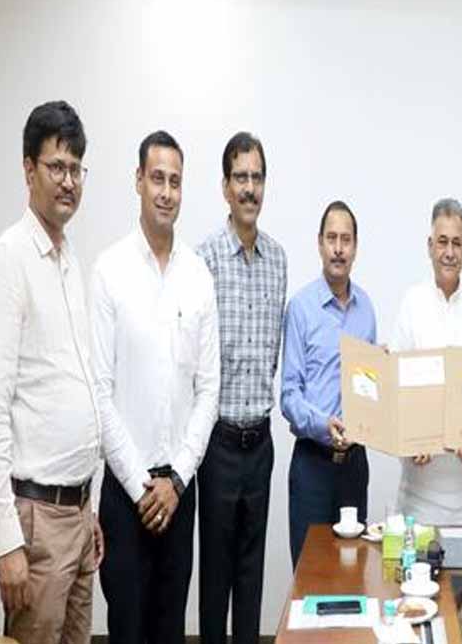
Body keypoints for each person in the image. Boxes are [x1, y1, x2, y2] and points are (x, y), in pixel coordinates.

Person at [0, 100, 103, 643]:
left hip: (77, 514)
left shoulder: (69, 260)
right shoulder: (9, 260)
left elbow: (71, 390)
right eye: (56, 167)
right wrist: (7, 542)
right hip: (35, 523)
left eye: (76, 169)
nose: (68, 181)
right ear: (29, 170)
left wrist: (88, 508)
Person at [91, 130, 220, 644]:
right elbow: (99, 391)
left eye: (175, 182)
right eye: (158, 179)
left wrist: (177, 481)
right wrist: (141, 485)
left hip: (179, 494)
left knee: (170, 631)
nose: (167, 192)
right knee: (127, 631)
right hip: (126, 497)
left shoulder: (198, 276)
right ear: (138, 181)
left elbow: (208, 391)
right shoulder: (109, 271)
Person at [196, 132, 287, 644]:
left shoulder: (278, 259)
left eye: (257, 177)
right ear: (225, 187)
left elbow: (272, 353)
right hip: (219, 444)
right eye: (240, 178)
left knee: (252, 576)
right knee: (216, 576)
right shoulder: (204, 259)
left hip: (261, 442)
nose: (249, 188)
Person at [281, 200, 376, 565]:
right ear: (319, 243)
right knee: (311, 576)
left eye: (346, 240)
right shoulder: (301, 308)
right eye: (331, 238)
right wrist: (324, 424)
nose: (338, 248)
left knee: (352, 575)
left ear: (356, 247)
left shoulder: (367, 309)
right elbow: (289, 394)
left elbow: (370, 389)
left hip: (354, 467)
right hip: (313, 467)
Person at [391, 198, 462, 525]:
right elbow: (394, 390)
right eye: (442, 242)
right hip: (417, 504)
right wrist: (409, 438)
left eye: (457, 243)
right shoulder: (411, 303)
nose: (449, 252)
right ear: (429, 246)